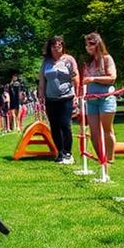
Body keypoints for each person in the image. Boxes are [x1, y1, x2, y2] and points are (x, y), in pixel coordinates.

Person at [38, 36, 78, 164]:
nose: (57, 47)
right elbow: (42, 80)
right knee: (54, 126)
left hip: (66, 97)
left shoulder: (69, 60)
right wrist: (41, 95)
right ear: (50, 47)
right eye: (54, 45)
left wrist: (77, 94)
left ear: (63, 46)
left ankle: (68, 153)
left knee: (65, 124)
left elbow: (76, 77)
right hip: (51, 98)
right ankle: (60, 152)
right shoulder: (46, 62)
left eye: (59, 45)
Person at [82, 32, 118, 165]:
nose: (88, 47)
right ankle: (101, 160)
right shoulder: (90, 62)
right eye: (86, 45)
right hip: (91, 100)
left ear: (98, 44)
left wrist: (93, 78)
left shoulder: (107, 59)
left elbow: (112, 78)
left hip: (106, 98)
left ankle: (110, 159)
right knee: (94, 133)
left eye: (90, 44)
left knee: (107, 129)